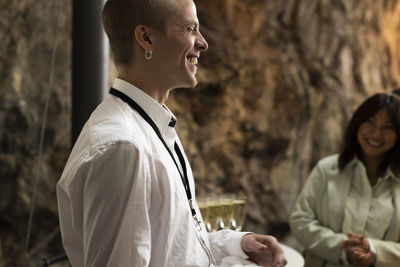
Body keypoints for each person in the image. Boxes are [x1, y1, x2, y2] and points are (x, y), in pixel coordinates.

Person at [57, 0, 287, 266]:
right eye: (190, 29)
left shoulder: (152, 127)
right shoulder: (124, 147)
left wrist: (237, 244)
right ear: (146, 38)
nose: (203, 43)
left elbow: (173, 247)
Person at [289, 92, 400, 267]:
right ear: (358, 123)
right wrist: (343, 249)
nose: (377, 134)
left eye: (388, 127)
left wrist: (374, 250)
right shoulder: (326, 169)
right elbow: (300, 221)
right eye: (370, 122)